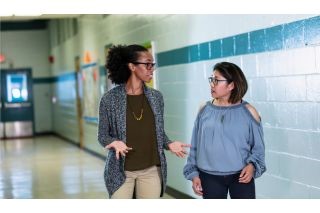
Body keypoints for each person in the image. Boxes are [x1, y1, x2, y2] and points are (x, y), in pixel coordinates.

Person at [98, 44, 190, 199]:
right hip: (121, 172)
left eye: (152, 65)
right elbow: (102, 136)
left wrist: (169, 143)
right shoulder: (110, 99)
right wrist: (114, 142)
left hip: (151, 171)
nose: (151, 68)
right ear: (132, 66)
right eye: (147, 64)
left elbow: (158, 132)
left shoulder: (156, 97)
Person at [183, 62, 266, 199]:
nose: (212, 84)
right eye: (212, 79)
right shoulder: (204, 109)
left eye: (217, 80)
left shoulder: (249, 112)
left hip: (241, 176)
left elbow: (258, 148)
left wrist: (252, 166)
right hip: (209, 176)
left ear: (231, 85)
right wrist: (193, 174)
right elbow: (195, 146)